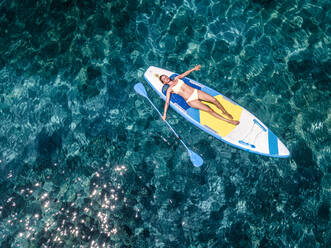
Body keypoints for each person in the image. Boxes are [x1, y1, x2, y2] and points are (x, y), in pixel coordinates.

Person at [160, 65, 240, 125]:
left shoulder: (177, 78)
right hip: (191, 100)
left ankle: (224, 112)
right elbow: (167, 102)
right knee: (209, 110)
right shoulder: (169, 90)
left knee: (214, 100)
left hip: (196, 92)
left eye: (165, 76)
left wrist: (194, 69)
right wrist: (164, 114)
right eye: (164, 79)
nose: (166, 78)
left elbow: (185, 74)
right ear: (164, 83)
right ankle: (229, 121)